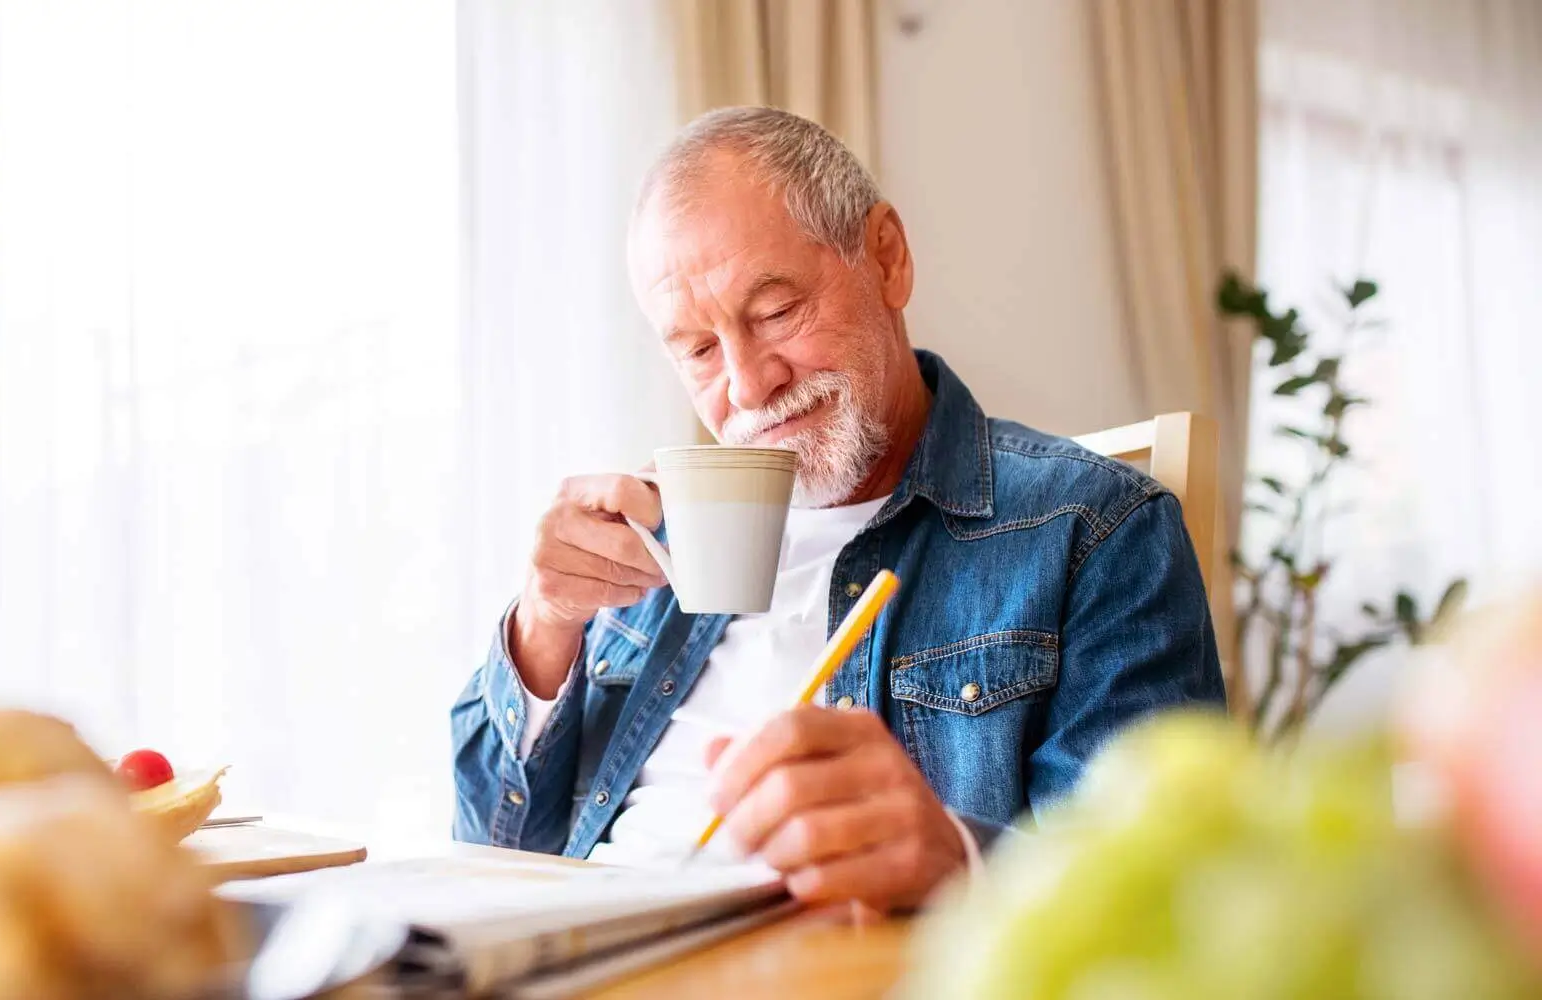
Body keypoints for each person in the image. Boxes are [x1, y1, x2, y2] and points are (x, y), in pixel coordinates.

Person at [451, 106, 1224, 910]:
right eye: (700, 350)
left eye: (777, 312)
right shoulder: (656, 537)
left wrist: (958, 863)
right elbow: (488, 853)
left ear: (885, 258)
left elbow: (1163, 895)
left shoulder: (1092, 527)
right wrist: (543, 629)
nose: (749, 387)